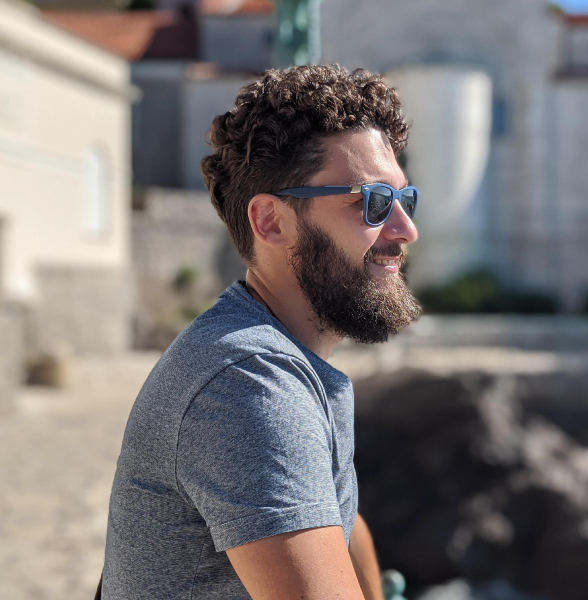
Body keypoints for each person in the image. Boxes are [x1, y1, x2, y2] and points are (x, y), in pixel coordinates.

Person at [100, 64, 421, 600]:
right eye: (373, 202)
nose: (407, 229)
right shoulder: (250, 383)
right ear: (271, 221)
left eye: (404, 200)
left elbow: (340, 515)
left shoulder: (281, 357)